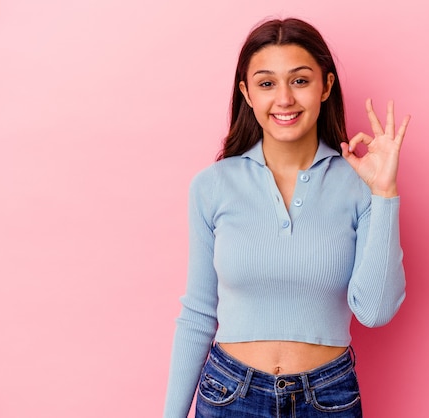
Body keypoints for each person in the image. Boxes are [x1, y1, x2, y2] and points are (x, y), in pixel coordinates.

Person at [163, 17, 410, 418]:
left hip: (328, 398)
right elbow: (198, 312)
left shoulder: (359, 185)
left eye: (299, 81)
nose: (284, 99)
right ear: (246, 92)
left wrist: (384, 194)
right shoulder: (212, 186)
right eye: (266, 83)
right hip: (229, 394)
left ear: (326, 86)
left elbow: (375, 311)